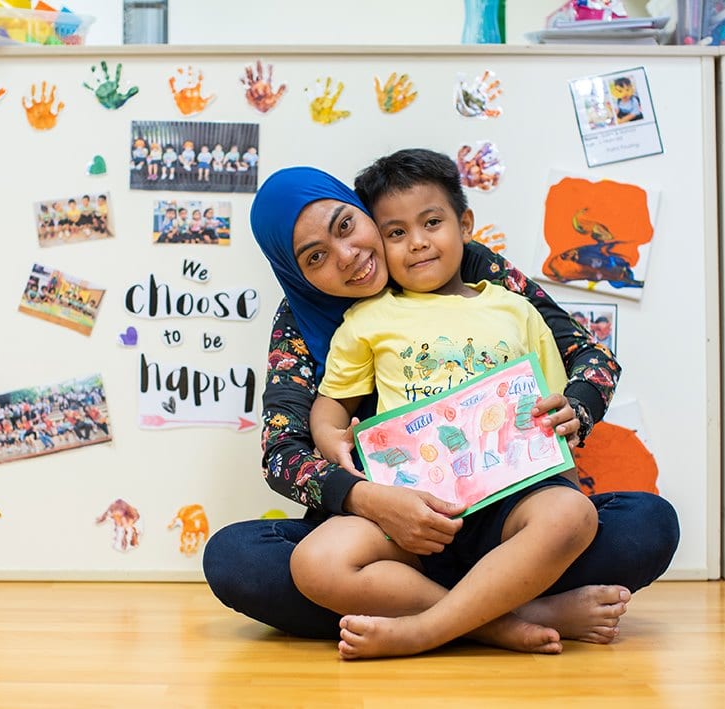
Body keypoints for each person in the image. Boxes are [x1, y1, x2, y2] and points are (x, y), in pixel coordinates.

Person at [202, 159, 679, 647]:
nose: (346, 255)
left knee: (644, 523)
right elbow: (283, 453)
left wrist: (571, 410)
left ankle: (431, 615)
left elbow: (586, 357)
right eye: (315, 257)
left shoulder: (472, 272)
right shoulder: (313, 322)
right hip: (391, 530)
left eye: (346, 225)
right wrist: (371, 499)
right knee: (237, 557)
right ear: (294, 270)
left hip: (505, 512)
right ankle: (511, 616)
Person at [298, 149, 598, 659]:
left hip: (508, 507)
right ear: (380, 243)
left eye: (432, 222)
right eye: (395, 233)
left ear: (465, 225)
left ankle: (422, 630)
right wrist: (330, 438)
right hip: (407, 512)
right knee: (313, 562)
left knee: (574, 516)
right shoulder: (368, 320)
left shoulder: (515, 309)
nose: (417, 242)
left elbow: (550, 418)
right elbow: (330, 406)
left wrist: (566, 472)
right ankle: (502, 622)